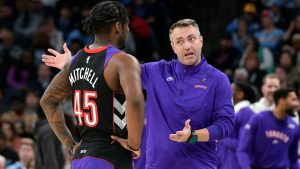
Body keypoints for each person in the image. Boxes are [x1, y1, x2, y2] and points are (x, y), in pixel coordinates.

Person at [42, 18, 234, 169]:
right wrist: (71, 63)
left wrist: (193, 135)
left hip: (198, 165)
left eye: (191, 39)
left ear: (201, 41)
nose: (187, 46)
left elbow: (225, 125)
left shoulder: (218, 80)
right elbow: (112, 67)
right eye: (180, 41)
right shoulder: (157, 71)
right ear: (173, 47)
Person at [40, 1, 145, 169]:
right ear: (118, 25)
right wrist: (134, 143)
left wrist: (69, 143)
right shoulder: (123, 60)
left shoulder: (74, 62)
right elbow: (135, 101)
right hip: (110, 155)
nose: (128, 30)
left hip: (81, 158)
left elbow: (48, 100)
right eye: (127, 25)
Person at [237, 88, 300, 169]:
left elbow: (293, 160)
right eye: (293, 99)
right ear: (281, 101)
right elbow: (243, 149)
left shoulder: (294, 127)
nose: (297, 104)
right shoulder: (258, 119)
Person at [218, 82, 257, 169]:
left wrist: (220, 136)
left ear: (239, 94)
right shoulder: (233, 113)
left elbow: (244, 144)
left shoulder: (247, 114)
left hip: (237, 164)